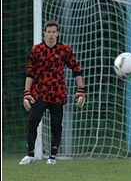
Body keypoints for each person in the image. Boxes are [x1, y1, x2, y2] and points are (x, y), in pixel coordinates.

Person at [19, 20, 85, 165]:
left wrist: (81, 89)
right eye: (48, 32)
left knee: (56, 125)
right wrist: (27, 92)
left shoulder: (64, 50)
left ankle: (52, 157)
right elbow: (30, 72)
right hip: (39, 92)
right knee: (32, 120)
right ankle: (30, 154)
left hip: (58, 93)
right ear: (44, 33)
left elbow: (76, 69)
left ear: (58, 33)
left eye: (54, 32)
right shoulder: (36, 50)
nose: (51, 35)